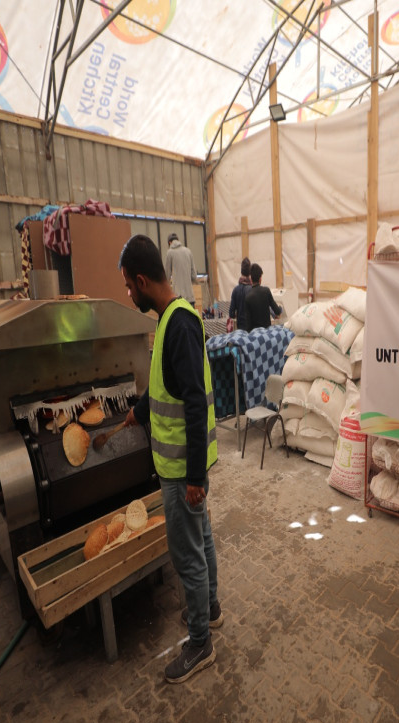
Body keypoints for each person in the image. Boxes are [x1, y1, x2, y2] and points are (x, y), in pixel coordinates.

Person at [118, 234, 221, 684]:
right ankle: (211, 610)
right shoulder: (172, 318)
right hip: (184, 467)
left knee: (187, 556)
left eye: (127, 286)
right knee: (203, 539)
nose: (128, 293)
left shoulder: (176, 324)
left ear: (142, 280)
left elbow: (194, 403)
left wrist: (195, 476)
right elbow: (168, 388)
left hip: (182, 469)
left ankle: (200, 644)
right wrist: (137, 413)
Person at [243, 263, 283, 332]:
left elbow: (248, 324)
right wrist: (280, 307)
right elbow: (277, 311)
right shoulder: (266, 291)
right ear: (260, 278)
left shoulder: (248, 297)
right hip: (266, 333)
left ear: (251, 279)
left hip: (255, 334)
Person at [164, 232, 198, 308]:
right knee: (191, 319)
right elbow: (194, 277)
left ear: (169, 242)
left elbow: (167, 277)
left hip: (178, 299)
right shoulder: (188, 251)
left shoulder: (170, 252)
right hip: (190, 298)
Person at [228, 258, 252, 330]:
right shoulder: (252, 289)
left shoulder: (235, 290)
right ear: (250, 272)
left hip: (240, 327)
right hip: (251, 327)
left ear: (241, 271)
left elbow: (231, 314)